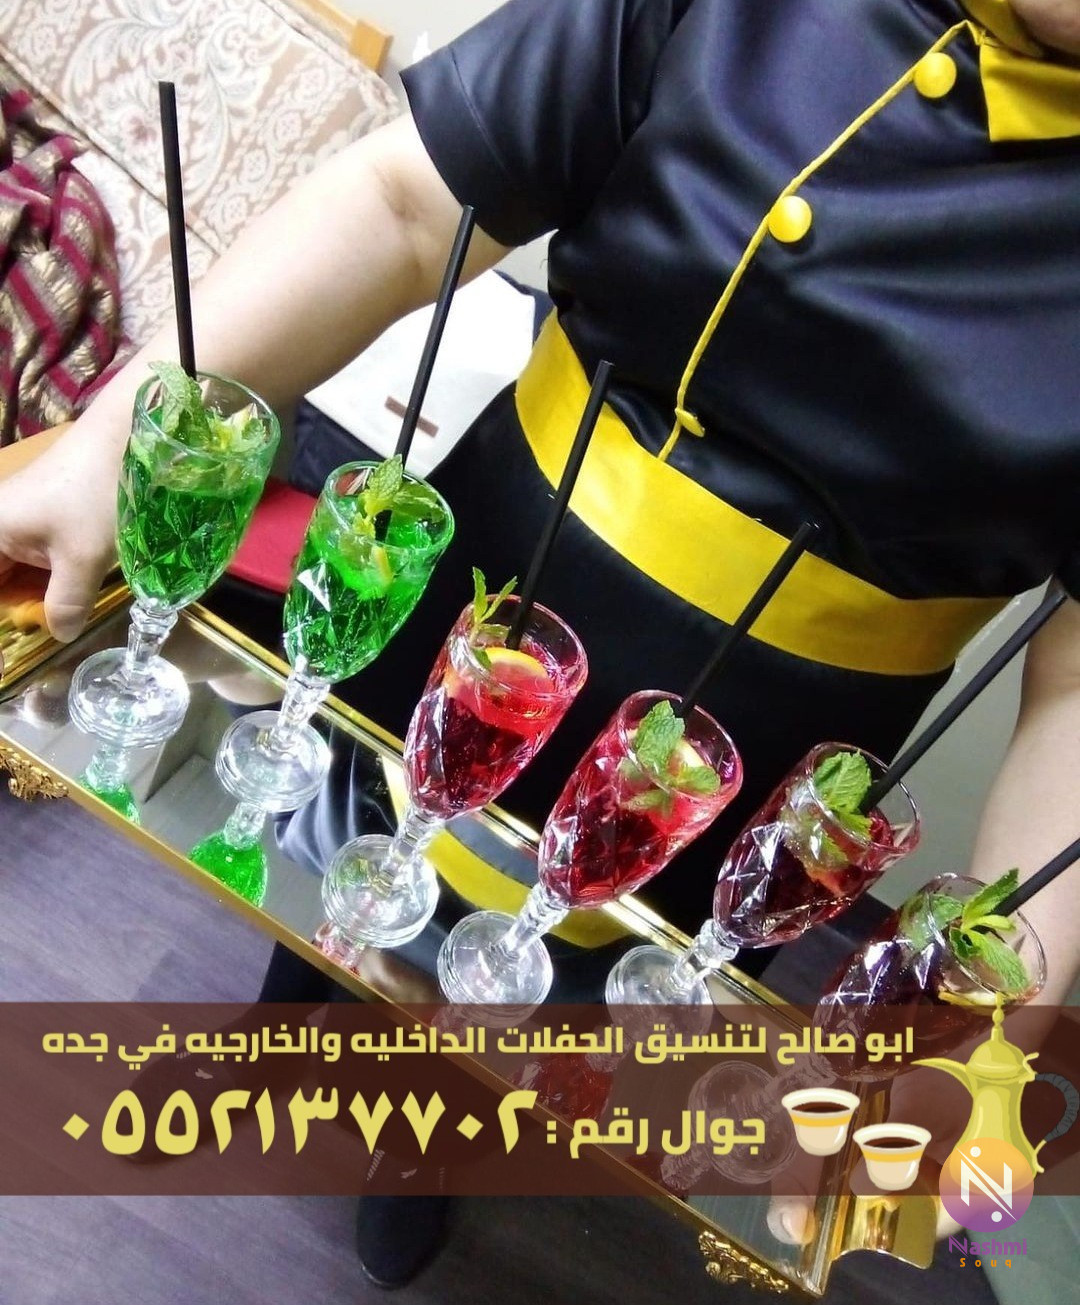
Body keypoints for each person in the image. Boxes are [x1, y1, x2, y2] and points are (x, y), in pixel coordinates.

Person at [1, 0, 1079, 1292]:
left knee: (540, 998)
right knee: (352, 837)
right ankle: (280, 1029)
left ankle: (424, 1145)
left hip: (761, 752)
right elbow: (409, 203)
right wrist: (118, 435)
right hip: (503, 566)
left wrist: (994, 1023)